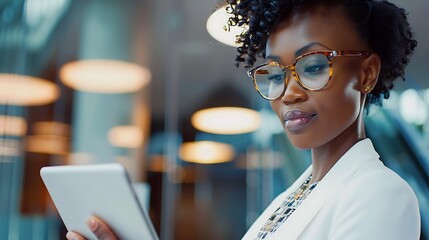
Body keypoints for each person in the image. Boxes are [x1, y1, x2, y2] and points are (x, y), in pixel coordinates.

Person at [66, 0, 420, 239]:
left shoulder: (381, 194)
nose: (288, 93)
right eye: (275, 73)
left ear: (367, 73)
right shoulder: (289, 199)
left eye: (313, 66)